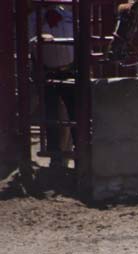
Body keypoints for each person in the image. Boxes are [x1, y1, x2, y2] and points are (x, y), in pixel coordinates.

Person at [29, 3, 75, 171]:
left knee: (75, 113)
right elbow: (28, 41)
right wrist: (39, 38)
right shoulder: (34, 19)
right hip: (48, 72)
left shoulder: (69, 15)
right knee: (51, 116)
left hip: (70, 70)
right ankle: (55, 157)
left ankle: (80, 154)